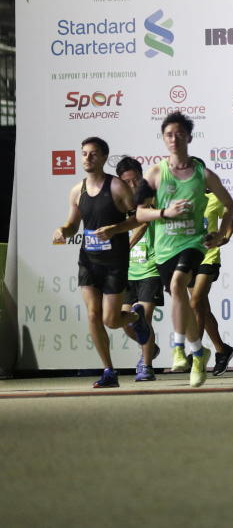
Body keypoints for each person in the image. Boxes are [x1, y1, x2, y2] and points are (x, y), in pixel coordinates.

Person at [135, 112, 233, 388]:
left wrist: (219, 234)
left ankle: (178, 349)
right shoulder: (155, 173)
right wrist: (165, 212)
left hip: (193, 244)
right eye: (169, 134)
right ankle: (198, 352)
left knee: (180, 285)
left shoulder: (203, 174)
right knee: (180, 295)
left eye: (179, 134)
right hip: (164, 249)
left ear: (189, 137)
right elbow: (140, 214)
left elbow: (230, 206)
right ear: (164, 139)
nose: (174, 139)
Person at [53, 137, 150, 388]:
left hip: (114, 262)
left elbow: (138, 218)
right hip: (88, 260)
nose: (87, 158)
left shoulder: (117, 187)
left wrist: (116, 229)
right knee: (93, 315)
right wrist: (64, 231)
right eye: (84, 153)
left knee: (111, 320)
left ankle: (135, 318)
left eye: (93, 154)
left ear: (104, 158)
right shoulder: (78, 190)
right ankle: (109, 370)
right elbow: (73, 224)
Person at [116, 156, 160, 381]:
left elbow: (142, 224)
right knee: (124, 321)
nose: (133, 186)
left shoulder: (148, 199)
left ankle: (147, 366)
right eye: (127, 182)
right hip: (127, 271)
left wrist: (127, 245)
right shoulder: (118, 203)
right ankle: (149, 348)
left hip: (150, 269)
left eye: (136, 180)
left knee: (145, 318)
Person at [197, 191, 233, 376]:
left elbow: (231, 220)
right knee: (201, 308)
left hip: (209, 258)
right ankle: (222, 349)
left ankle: (195, 352)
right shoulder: (183, 197)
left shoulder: (214, 198)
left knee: (196, 301)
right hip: (189, 258)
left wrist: (225, 237)